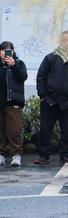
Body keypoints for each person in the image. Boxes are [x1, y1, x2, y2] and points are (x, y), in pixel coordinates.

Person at [35, 32, 68, 165]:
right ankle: (43, 156)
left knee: (67, 131)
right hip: (49, 101)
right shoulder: (50, 58)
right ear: (59, 41)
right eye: (63, 40)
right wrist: (43, 96)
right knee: (45, 130)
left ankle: (65, 156)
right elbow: (41, 77)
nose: (66, 43)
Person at [0, 41, 27, 169]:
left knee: (14, 130)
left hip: (14, 102)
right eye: (3, 50)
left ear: (13, 52)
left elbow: (23, 77)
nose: (6, 53)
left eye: (9, 51)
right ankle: (1, 154)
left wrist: (14, 65)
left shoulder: (19, 63)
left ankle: (16, 154)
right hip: (0, 102)